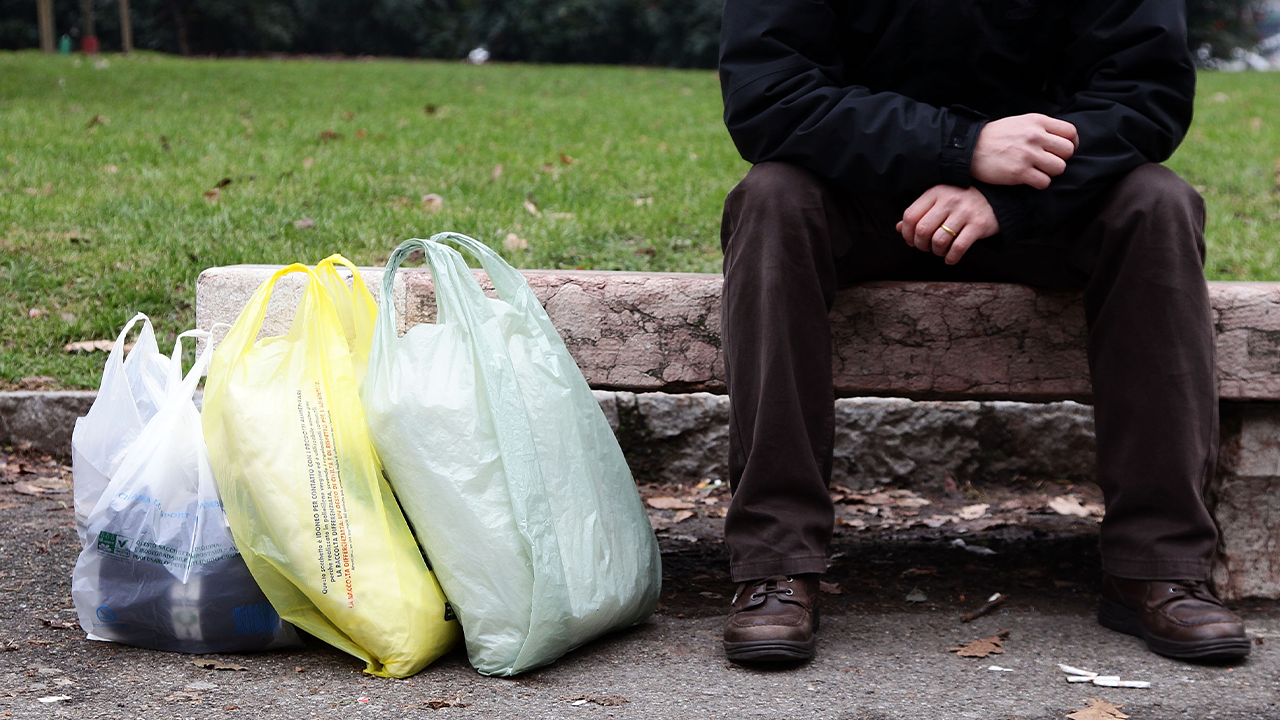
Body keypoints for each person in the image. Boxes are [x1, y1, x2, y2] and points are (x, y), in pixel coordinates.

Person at [716, 0, 1252, 663]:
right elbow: (768, 95)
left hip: (1050, 192)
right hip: (859, 192)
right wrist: (960, 147)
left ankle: (1158, 562)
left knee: (1159, 205)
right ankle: (776, 562)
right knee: (769, 201)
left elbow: (1144, 94)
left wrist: (1009, 198)